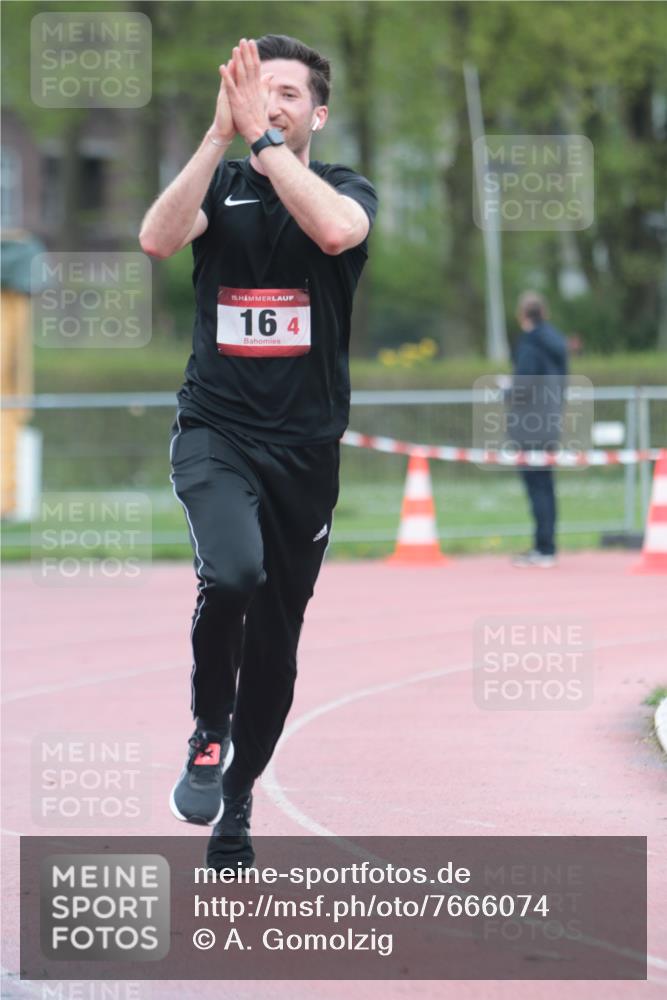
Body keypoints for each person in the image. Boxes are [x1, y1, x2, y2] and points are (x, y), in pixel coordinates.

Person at [139, 34, 377, 867]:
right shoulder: (224, 180)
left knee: (276, 648)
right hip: (217, 431)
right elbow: (158, 240)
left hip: (304, 454)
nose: (267, 102)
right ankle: (209, 730)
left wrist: (268, 146)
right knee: (231, 571)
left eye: (286, 92)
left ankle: (237, 800)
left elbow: (340, 232)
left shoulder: (342, 190)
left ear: (317, 112)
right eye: (256, 89)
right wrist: (215, 137)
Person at [509, 291, 568, 568]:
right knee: (546, 484)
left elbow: (523, 387)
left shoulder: (530, 345)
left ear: (522, 315)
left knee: (537, 487)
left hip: (529, 424)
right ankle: (548, 546)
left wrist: (505, 392)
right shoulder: (557, 344)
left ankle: (543, 548)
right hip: (550, 421)